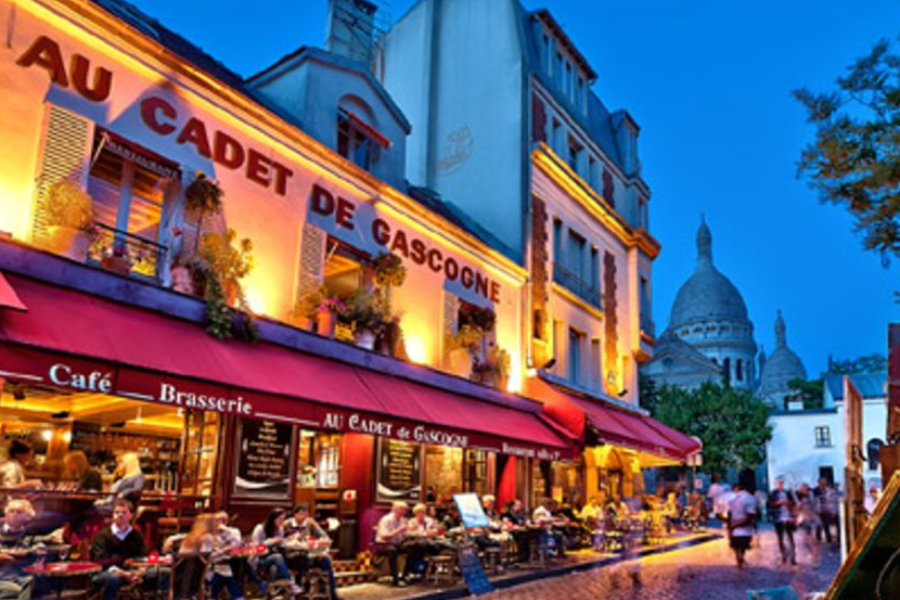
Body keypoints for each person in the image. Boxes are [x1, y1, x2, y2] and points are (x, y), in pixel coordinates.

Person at [0, 499, 64, 600]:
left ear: (27, 516)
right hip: (2, 579)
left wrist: (38, 557)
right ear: (6, 513)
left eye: (19, 512)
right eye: (12, 511)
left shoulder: (30, 534)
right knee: (18, 589)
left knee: (33, 583)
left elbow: (40, 550)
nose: (15, 515)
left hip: (23, 578)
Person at [90, 499, 149, 600]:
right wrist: (124, 574)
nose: (120, 515)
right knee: (114, 579)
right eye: (117, 512)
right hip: (107, 571)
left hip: (132, 570)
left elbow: (143, 556)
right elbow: (100, 560)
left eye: (124, 512)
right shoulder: (101, 535)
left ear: (131, 516)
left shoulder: (136, 535)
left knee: (162, 572)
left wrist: (140, 571)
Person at [285, 503, 341, 600]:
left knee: (325, 560)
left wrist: (321, 547)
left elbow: (324, 537)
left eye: (305, 514)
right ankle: (303, 591)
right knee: (302, 559)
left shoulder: (310, 523)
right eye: (301, 514)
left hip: (310, 554)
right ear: (295, 514)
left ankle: (332, 594)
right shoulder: (287, 525)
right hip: (293, 556)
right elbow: (282, 542)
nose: (304, 517)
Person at [249, 508, 302, 596]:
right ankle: (291, 584)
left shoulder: (279, 529)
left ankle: (273, 593)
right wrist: (271, 541)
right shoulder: (260, 528)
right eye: (280, 519)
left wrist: (289, 539)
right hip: (258, 559)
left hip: (272, 558)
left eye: (283, 519)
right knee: (277, 557)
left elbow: (280, 544)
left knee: (275, 567)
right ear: (273, 518)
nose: (282, 522)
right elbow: (255, 547)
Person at [375, 501, 409, 587]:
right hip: (383, 544)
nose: (404, 512)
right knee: (392, 551)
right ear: (395, 509)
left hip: (397, 543)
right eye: (402, 510)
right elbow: (384, 537)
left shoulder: (402, 520)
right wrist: (399, 530)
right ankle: (395, 579)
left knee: (412, 547)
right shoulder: (386, 520)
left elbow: (404, 535)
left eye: (405, 510)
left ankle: (405, 575)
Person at [726, 482, 757, 569]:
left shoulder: (731, 498)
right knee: (743, 545)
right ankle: (741, 558)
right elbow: (751, 515)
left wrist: (730, 526)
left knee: (736, 545)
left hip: (734, 528)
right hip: (745, 529)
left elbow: (728, 514)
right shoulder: (750, 498)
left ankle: (739, 559)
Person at [768, 478, 797, 565]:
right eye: (778, 483)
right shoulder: (773, 493)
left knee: (790, 537)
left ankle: (793, 557)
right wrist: (778, 503)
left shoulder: (788, 492)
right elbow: (769, 504)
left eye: (781, 483)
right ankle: (783, 555)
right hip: (778, 518)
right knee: (780, 538)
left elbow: (794, 503)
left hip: (788, 517)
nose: (780, 485)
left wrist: (789, 503)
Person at [813, 478, 839, 545]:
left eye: (824, 483)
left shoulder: (826, 490)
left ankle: (829, 539)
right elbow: (814, 500)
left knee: (826, 524)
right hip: (817, 510)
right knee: (819, 525)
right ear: (819, 483)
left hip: (825, 509)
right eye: (822, 483)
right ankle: (818, 538)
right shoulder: (815, 490)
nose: (824, 484)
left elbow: (829, 498)